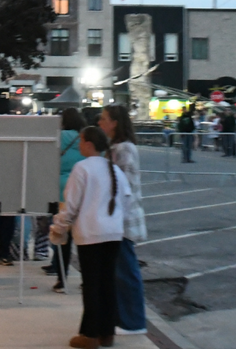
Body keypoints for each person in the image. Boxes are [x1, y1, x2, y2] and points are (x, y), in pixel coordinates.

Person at [50, 126, 131, 349]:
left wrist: (60, 224)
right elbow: (126, 199)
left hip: (90, 233)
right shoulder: (113, 168)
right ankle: (107, 332)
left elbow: (71, 203)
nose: (78, 144)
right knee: (107, 283)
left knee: (92, 284)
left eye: (81, 140)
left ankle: (90, 333)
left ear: (88, 144)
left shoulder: (82, 168)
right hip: (113, 232)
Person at [99, 105, 148, 336]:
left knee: (126, 271)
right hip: (116, 218)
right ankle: (125, 318)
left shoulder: (124, 149)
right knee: (120, 271)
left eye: (104, 118)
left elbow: (122, 187)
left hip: (122, 220)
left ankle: (134, 322)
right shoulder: (115, 147)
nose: (100, 122)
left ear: (115, 122)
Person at [45, 108, 86, 293]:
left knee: (63, 238)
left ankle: (62, 279)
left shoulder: (58, 137)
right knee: (83, 240)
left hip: (62, 190)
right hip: (84, 190)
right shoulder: (86, 138)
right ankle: (87, 279)